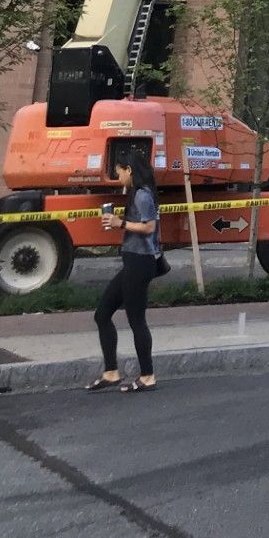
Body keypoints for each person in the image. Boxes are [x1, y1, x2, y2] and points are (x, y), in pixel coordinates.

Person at [87, 149, 162, 393]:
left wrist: (120, 223)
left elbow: (149, 227)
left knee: (136, 320)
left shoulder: (142, 194)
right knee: (102, 313)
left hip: (141, 262)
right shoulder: (138, 194)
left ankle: (147, 376)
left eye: (119, 172)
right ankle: (111, 372)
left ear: (129, 170)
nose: (118, 177)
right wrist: (121, 223)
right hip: (133, 261)